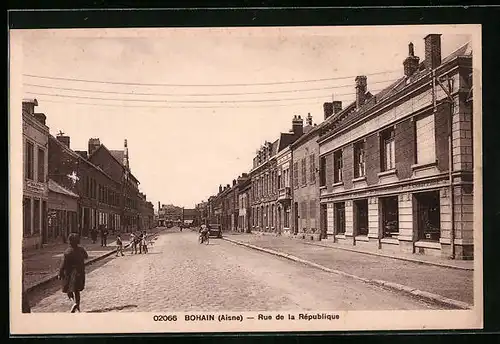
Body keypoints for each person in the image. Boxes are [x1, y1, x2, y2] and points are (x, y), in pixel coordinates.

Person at [58, 233, 88, 313]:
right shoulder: (81, 250)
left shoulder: (67, 252)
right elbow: (86, 256)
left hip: (69, 274)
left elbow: (63, 264)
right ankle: (77, 306)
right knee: (77, 291)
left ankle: (73, 303)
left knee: (68, 290)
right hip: (80, 273)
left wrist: (60, 273)